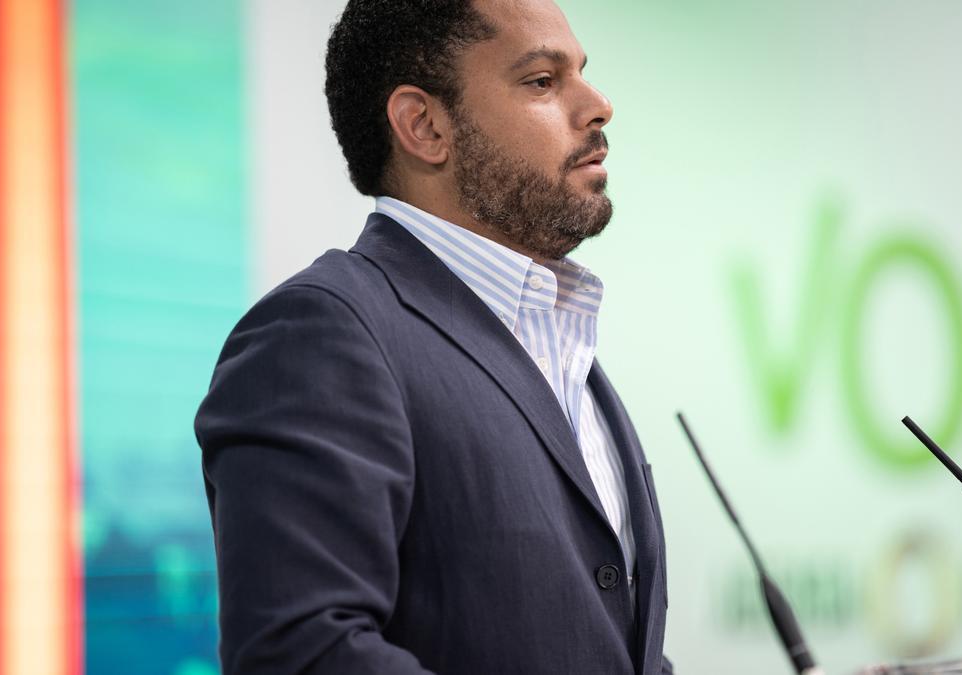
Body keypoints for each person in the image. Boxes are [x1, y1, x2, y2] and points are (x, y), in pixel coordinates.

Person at [195, 0, 672, 672]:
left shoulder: (561, 347)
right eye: (542, 80)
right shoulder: (322, 333)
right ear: (424, 126)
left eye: (582, 74)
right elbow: (303, 652)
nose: (598, 106)